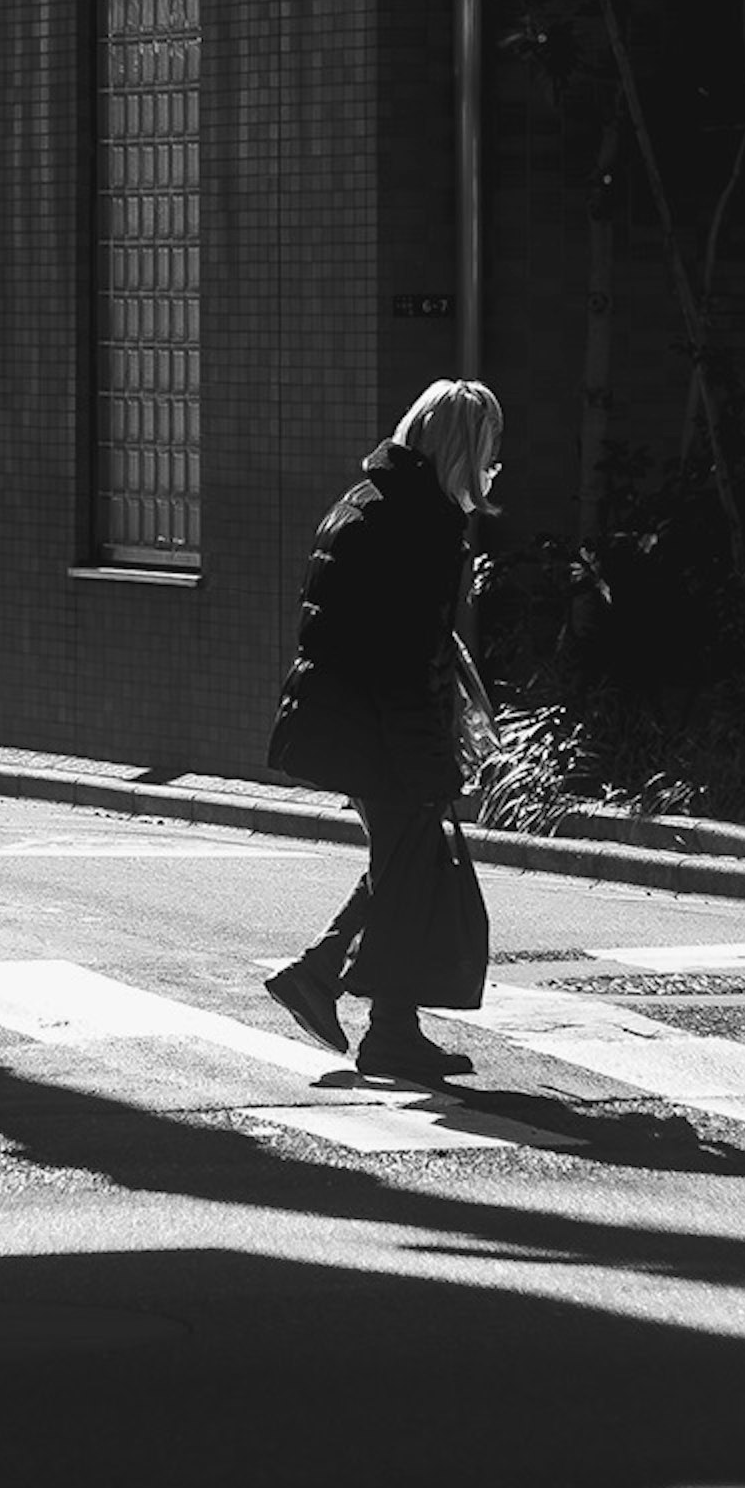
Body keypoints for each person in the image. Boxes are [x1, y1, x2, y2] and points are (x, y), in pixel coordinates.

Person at [258, 378, 503, 1082]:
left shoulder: (366, 501)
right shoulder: (417, 524)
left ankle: (366, 1009)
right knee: (409, 858)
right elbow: (403, 657)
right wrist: (431, 758)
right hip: (380, 729)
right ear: (461, 448)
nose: (490, 470)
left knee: (405, 862)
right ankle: (339, 991)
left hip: (342, 721)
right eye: (487, 453)